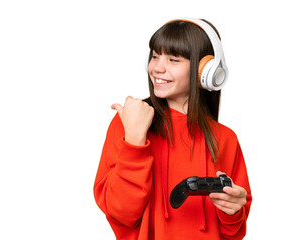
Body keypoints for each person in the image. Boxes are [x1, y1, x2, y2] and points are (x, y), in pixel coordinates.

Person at [93, 18, 252, 240]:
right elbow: (121, 214)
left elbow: (231, 233)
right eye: (155, 56)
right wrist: (135, 141)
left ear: (204, 70)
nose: (157, 67)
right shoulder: (129, 121)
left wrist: (233, 211)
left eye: (173, 59)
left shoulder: (225, 138)